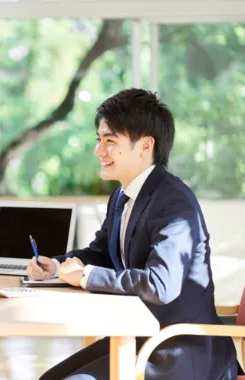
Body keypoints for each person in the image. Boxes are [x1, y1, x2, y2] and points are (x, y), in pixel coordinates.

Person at [26, 89, 238, 380]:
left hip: (178, 350)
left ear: (145, 145)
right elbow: (101, 253)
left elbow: (161, 284)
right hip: (141, 336)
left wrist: (86, 276)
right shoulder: (122, 196)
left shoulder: (173, 201)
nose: (99, 151)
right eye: (99, 140)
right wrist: (56, 266)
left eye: (110, 141)